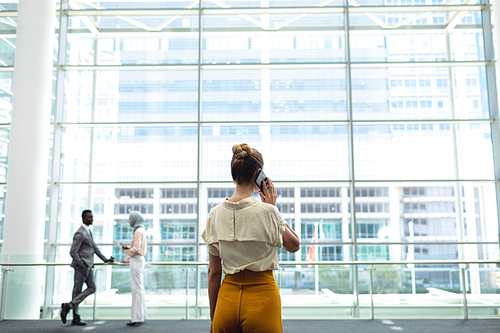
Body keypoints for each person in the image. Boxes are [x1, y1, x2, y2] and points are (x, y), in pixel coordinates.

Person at [202, 143, 301, 333]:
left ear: (233, 174)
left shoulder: (214, 215)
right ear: (258, 175)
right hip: (262, 297)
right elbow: (294, 245)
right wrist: (273, 208)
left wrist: (214, 317)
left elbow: (214, 272)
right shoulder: (268, 211)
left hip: (226, 299)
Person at [61, 210, 113, 326]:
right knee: (77, 291)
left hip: (88, 266)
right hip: (82, 266)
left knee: (92, 288)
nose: (92, 219)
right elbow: (73, 251)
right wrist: (81, 264)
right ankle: (76, 317)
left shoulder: (87, 232)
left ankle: (69, 306)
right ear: (84, 218)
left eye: (92, 217)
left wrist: (106, 260)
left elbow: (95, 248)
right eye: (90, 217)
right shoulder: (80, 233)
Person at [120, 211, 148, 326]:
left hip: (136, 261)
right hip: (137, 260)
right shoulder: (141, 230)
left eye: (130, 218)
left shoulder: (138, 231)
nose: (129, 221)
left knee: (136, 290)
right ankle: (140, 316)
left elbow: (135, 249)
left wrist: (125, 250)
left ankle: (136, 318)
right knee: (139, 289)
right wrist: (127, 259)